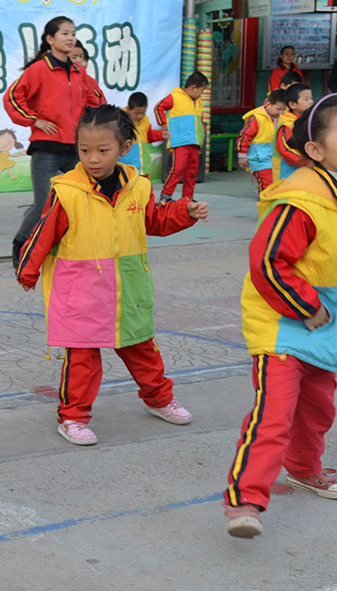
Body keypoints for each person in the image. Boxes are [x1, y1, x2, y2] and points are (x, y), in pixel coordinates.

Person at [223, 94, 337, 539]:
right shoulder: (300, 200)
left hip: (330, 327)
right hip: (283, 327)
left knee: (317, 410)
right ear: (315, 150)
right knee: (272, 416)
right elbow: (269, 262)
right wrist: (306, 305)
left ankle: (304, 469)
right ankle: (246, 501)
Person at [15, 105, 209, 446]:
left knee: (144, 351)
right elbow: (43, 234)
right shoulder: (67, 191)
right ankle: (72, 417)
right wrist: (27, 270)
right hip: (82, 294)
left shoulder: (139, 187)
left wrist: (185, 211)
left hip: (128, 290)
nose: (93, 158)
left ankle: (159, 399)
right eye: (84, 150)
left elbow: (157, 222)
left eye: (103, 150)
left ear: (124, 148)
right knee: (82, 363)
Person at [3, 16, 98, 264]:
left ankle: (68, 248)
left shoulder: (79, 72)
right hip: (47, 148)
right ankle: (20, 244)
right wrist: (34, 120)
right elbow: (13, 98)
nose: (70, 38)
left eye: (73, 33)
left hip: (75, 149)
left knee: (84, 197)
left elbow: (96, 101)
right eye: (65, 33)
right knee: (44, 203)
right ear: (50, 39)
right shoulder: (39, 69)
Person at [154, 71, 208, 203]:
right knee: (177, 169)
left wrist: (203, 134)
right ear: (193, 88)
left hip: (194, 142)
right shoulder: (175, 97)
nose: (202, 93)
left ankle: (187, 197)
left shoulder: (199, 102)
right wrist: (163, 125)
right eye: (202, 90)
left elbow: (200, 120)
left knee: (192, 171)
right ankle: (166, 194)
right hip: (179, 141)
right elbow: (158, 108)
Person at [237, 89, 287, 193]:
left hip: (274, 158)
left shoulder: (283, 117)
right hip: (259, 159)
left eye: (284, 109)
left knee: (276, 182)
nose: (281, 112)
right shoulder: (257, 118)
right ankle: (266, 202)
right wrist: (242, 155)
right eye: (278, 109)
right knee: (267, 183)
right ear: (268, 103)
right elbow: (244, 136)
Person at [119, 91, 167, 176]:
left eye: (143, 113)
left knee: (147, 188)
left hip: (143, 168)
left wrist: (161, 135)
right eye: (137, 113)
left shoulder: (146, 121)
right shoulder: (121, 121)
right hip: (127, 168)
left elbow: (149, 137)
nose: (140, 116)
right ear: (129, 109)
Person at [274, 83, 314, 181]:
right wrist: (307, 161)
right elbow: (286, 149)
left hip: (305, 168)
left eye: (311, 98)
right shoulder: (287, 125)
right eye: (306, 99)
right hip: (287, 171)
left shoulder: (308, 120)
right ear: (292, 104)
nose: (311, 102)